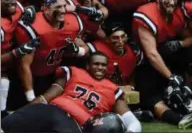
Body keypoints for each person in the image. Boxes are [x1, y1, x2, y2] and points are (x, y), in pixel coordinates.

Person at [2, 52, 142, 133]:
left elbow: (132, 121)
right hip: (51, 110)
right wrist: (22, 112)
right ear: (88, 65)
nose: (100, 67)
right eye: (96, 64)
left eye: (103, 65)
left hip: (75, 124)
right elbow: (45, 98)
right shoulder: (74, 73)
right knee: (5, 125)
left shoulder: (113, 90)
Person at [132, 0, 192, 128]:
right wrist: (171, 77)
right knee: (153, 99)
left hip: (165, 56)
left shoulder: (177, 13)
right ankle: (180, 120)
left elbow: (191, 38)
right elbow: (151, 54)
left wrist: (179, 44)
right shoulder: (147, 14)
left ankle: (191, 93)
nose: (171, 3)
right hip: (144, 61)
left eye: (174, 0)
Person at [12, 0, 88, 109]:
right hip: (31, 77)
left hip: (52, 74)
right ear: (45, 8)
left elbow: (85, 47)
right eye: (57, 7)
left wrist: (78, 51)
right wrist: (30, 97)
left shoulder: (72, 23)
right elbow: (24, 66)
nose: (62, 11)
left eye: (64, 6)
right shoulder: (33, 27)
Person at [1, 0, 38, 117]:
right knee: (3, 82)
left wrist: (31, 9)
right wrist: (18, 52)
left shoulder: (16, 8)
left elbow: (26, 6)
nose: (12, 2)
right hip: (4, 57)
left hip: (8, 56)